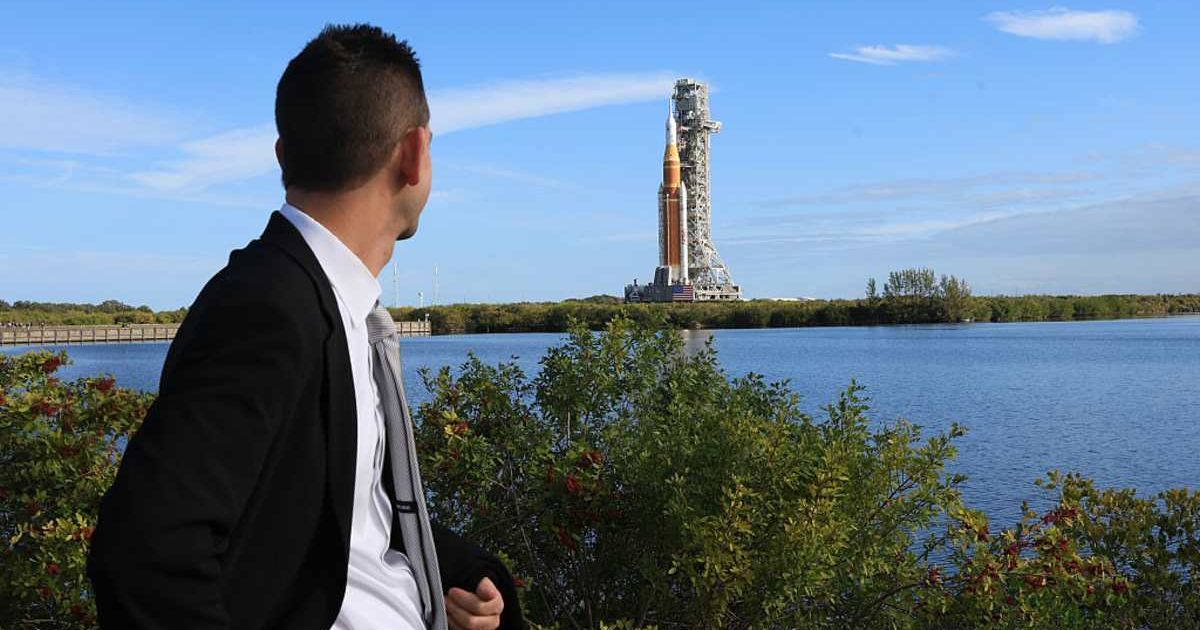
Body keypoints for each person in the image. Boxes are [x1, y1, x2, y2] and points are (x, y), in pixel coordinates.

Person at [87, 23, 523, 630]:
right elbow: (145, 555)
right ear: (415, 154)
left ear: (282, 155)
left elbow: (342, 510)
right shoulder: (266, 306)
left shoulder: (338, 309)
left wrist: (456, 571)